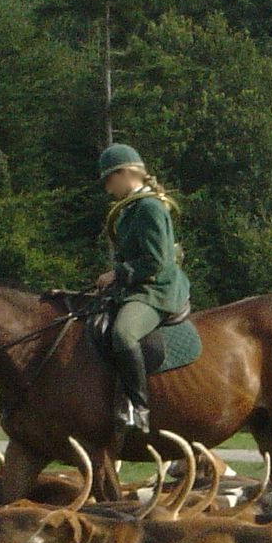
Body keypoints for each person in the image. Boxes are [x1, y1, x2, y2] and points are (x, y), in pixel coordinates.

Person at [95, 143, 190, 436]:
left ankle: (140, 407)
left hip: (156, 289)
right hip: (135, 286)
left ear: (125, 174)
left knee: (124, 333)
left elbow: (156, 261)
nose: (108, 188)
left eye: (109, 180)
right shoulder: (130, 209)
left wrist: (118, 274)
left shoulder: (148, 207)